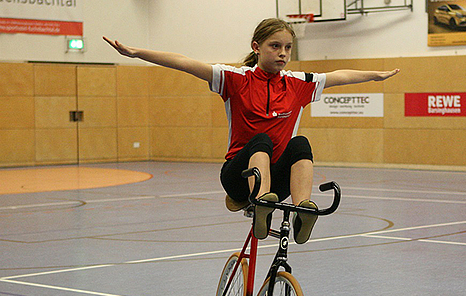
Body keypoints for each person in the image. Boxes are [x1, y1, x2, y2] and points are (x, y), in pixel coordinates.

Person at [104, 18, 399, 244]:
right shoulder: (235, 79)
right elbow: (185, 63)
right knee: (261, 140)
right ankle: (261, 205)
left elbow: (338, 76)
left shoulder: (298, 83)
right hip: (238, 176)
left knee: (300, 143)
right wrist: (136, 52)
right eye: (275, 46)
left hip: (276, 182)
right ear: (256, 47)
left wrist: (375, 75)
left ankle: (303, 211)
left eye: (287, 48)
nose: (282, 54)